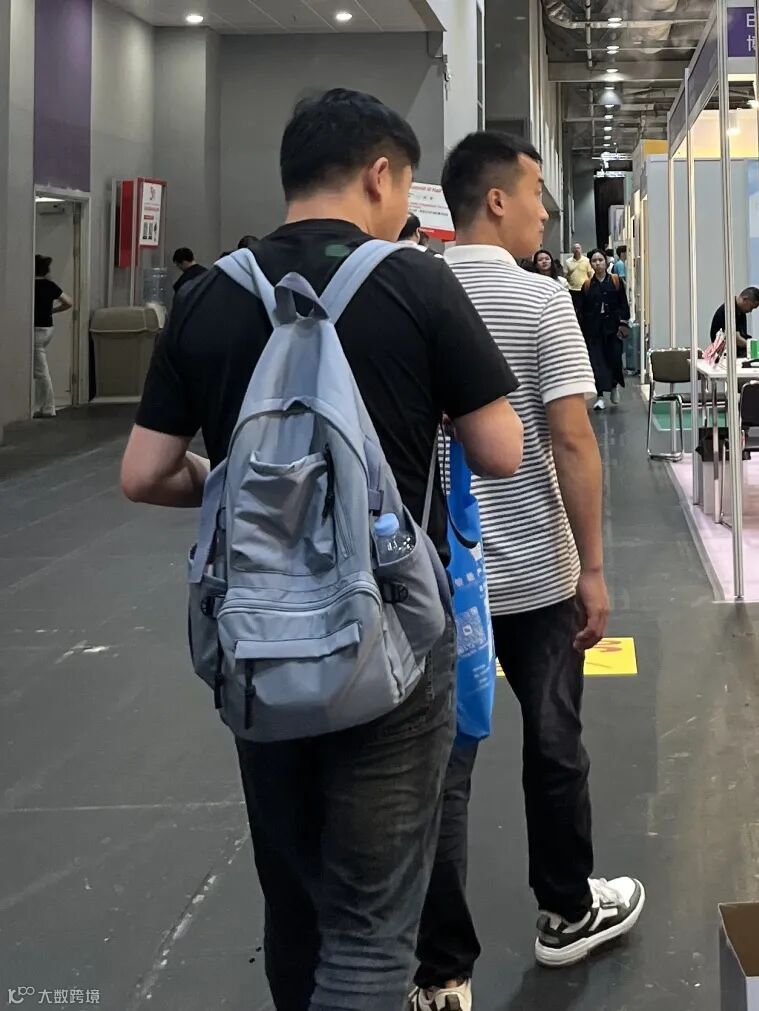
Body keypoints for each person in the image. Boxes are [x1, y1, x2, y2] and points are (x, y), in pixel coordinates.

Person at [121, 88, 523, 1011]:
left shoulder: (208, 294)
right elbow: (501, 449)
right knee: (372, 924)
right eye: (404, 188)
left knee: (295, 907)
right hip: (390, 633)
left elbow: (144, 473)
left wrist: (233, 484)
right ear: (379, 174)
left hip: (258, 640)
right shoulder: (418, 283)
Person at [409, 131, 644, 1011]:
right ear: (496, 199)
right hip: (539, 573)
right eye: (536, 190)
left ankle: (442, 971)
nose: (545, 209)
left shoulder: (411, 292)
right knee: (553, 743)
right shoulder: (542, 300)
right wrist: (593, 566)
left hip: (438, 576)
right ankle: (565, 909)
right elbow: (572, 440)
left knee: (441, 767)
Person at [580, 248, 630, 411]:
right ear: (590, 264)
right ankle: (600, 395)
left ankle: (614, 386)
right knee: (597, 362)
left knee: (614, 358)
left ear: (606, 262)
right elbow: (583, 309)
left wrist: (623, 323)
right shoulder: (587, 285)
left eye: (600, 260)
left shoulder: (615, 281)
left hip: (613, 328)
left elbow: (623, 304)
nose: (597, 263)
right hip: (594, 329)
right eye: (594, 261)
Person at [33, 254, 73, 419]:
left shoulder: (29, 285)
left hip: (35, 330)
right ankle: (41, 406)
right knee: (38, 369)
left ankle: (48, 408)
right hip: (47, 329)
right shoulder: (50, 286)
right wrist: (52, 310)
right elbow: (68, 302)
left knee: (41, 371)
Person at [710, 287, 759, 357]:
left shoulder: (741, 311)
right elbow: (736, 339)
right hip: (726, 353)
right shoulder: (729, 310)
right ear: (745, 299)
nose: (750, 311)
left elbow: (742, 335)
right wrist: (752, 346)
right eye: (751, 307)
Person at [565, 242, 592, 317]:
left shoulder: (587, 260)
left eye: (578, 248)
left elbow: (590, 274)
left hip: (584, 288)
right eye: (575, 248)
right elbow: (565, 275)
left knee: (584, 308)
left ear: (581, 249)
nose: (577, 250)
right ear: (572, 250)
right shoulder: (568, 261)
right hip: (572, 289)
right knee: (573, 309)